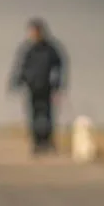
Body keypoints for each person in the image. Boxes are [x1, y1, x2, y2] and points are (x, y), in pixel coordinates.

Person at [9, 18, 67, 154]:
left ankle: (47, 142)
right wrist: (17, 81)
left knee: (47, 115)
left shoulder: (51, 48)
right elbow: (21, 66)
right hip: (32, 87)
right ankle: (37, 143)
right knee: (34, 116)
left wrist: (58, 86)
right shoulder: (28, 48)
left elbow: (59, 67)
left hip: (47, 88)